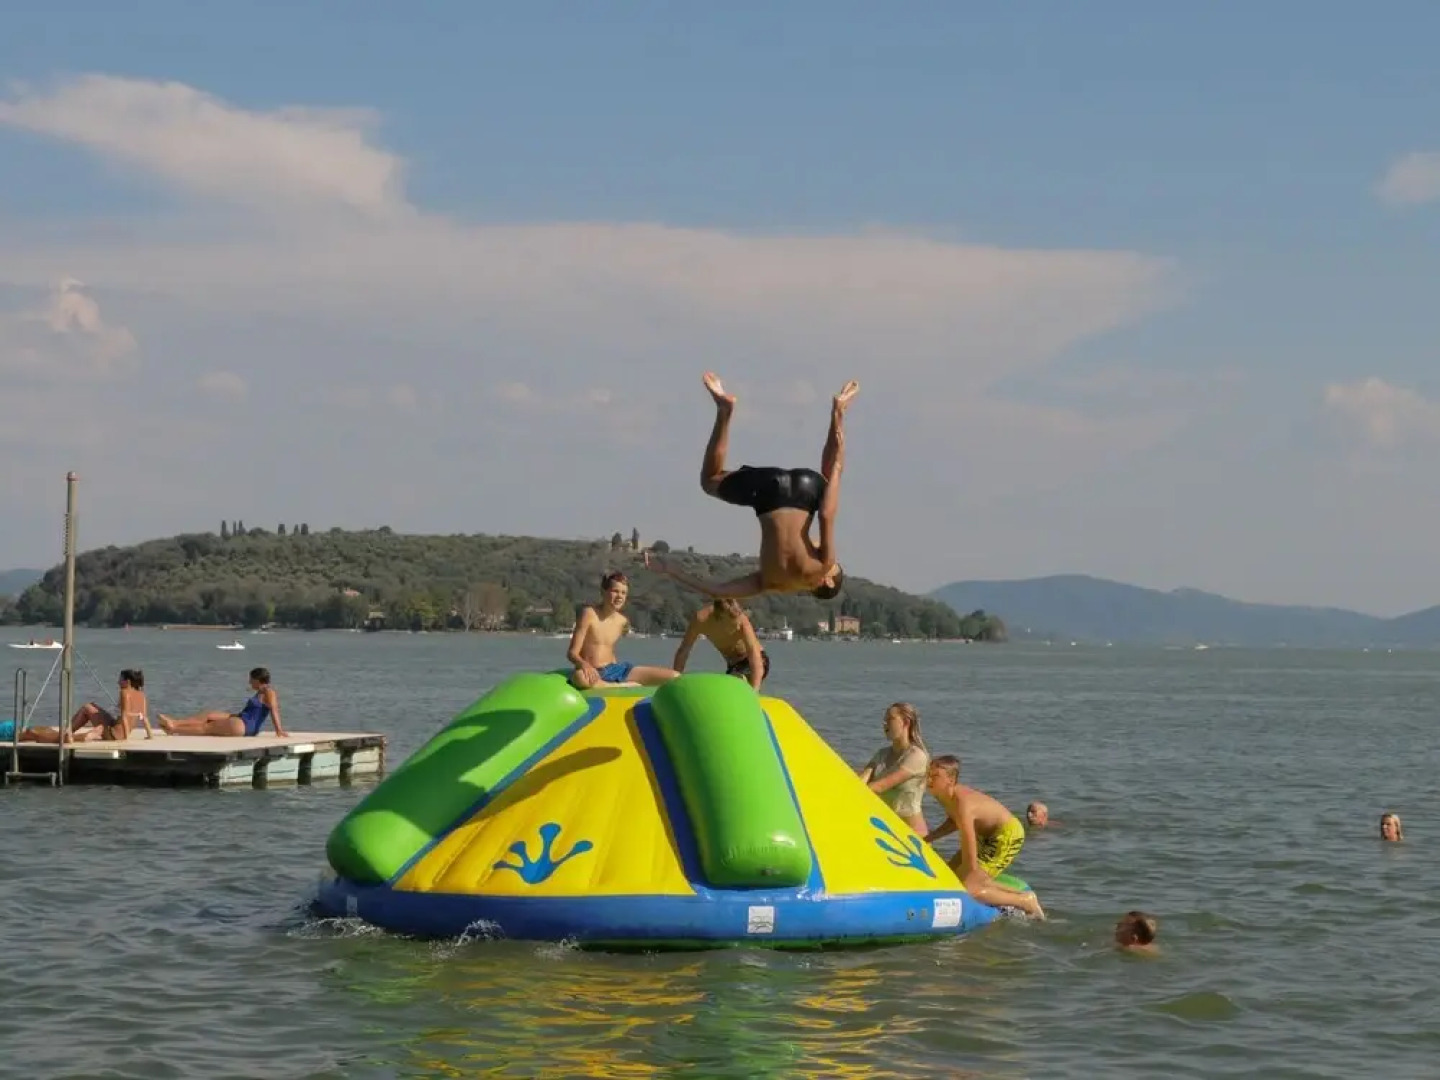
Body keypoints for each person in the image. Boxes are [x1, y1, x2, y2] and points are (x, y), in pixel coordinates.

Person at [644, 371, 856, 600]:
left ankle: (838, 412)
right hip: (768, 492)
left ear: (826, 580)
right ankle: (724, 412)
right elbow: (718, 591)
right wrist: (671, 571)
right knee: (709, 481)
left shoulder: (823, 567)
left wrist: (836, 471)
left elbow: (826, 515)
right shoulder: (770, 582)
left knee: (828, 481)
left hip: (807, 486)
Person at [924, 755, 1045, 919]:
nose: (929, 779)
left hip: (1006, 835)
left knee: (969, 888)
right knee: (951, 875)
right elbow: (954, 821)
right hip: (986, 833)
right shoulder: (945, 795)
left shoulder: (962, 803)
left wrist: (971, 871)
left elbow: (968, 841)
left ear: (951, 780)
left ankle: (1025, 901)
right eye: (928, 774)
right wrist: (928, 839)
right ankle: (1011, 891)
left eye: (935, 776)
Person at [567, 571, 680, 690]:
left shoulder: (622, 621)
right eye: (615, 591)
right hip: (593, 671)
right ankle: (618, 686)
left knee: (674, 676)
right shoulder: (589, 614)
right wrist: (584, 665)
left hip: (616, 670)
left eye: (623, 593)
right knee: (579, 678)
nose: (619, 596)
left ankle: (610, 684)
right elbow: (572, 653)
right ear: (603, 591)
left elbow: (608, 648)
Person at [19, 668, 152, 743]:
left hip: (114, 734)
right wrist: (150, 734)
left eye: (120, 679)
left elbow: (123, 716)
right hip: (118, 729)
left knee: (86, 708)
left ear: (127, 681)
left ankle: (66, 733)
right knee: (91, 705)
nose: (117, 682)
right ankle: (67, 732)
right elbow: (144, 717)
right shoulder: (141, 695)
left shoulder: (124, 692)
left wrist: (125, 739)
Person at [858, 703, 930, 835]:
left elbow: (879, 787)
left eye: (890, 719)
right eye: (884, 720)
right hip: (885, 830)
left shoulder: (916, 756)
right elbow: (860, 783)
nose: (884, 724)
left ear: (906, 722)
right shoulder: (882, 754)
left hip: (912, 834)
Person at [158, 667, 287, 737]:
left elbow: (274, 710)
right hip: (243, 719)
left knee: (207, 728)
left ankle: (174, 729)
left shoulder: (269, 692)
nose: (249, 682)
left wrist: (279, 730)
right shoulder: (261, 692)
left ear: (258, 680)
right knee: (208, 715)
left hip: (245, 725)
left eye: (251, 679)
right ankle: (174, 722)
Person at [671, 598, 769, 690]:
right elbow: (684, 650)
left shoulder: (743, 622)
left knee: (734, 682)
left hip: (758, 661)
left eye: (739, 616)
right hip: (734, 666)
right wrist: (675, 680)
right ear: (720, 616)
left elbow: (754, 654)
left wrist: (755, 690)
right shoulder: (701, 620)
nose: (738, 625)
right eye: (733, 621)